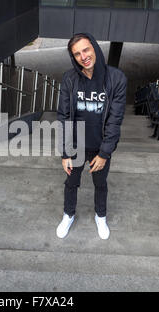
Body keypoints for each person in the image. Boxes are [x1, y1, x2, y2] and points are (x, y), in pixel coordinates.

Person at [56, 33, 127, 239]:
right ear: (73, 57)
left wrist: (105, 153)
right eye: (77, 54)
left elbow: (115, 119)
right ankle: (68, 214)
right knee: (71, 183)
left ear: (94, 48)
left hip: (100, 146)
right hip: (76, 145)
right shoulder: (69, 79)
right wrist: (65, 152)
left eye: (86, 49)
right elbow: (63, 116)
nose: (83, 56)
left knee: (100, 184)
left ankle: (100, 216)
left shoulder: (116, 78)